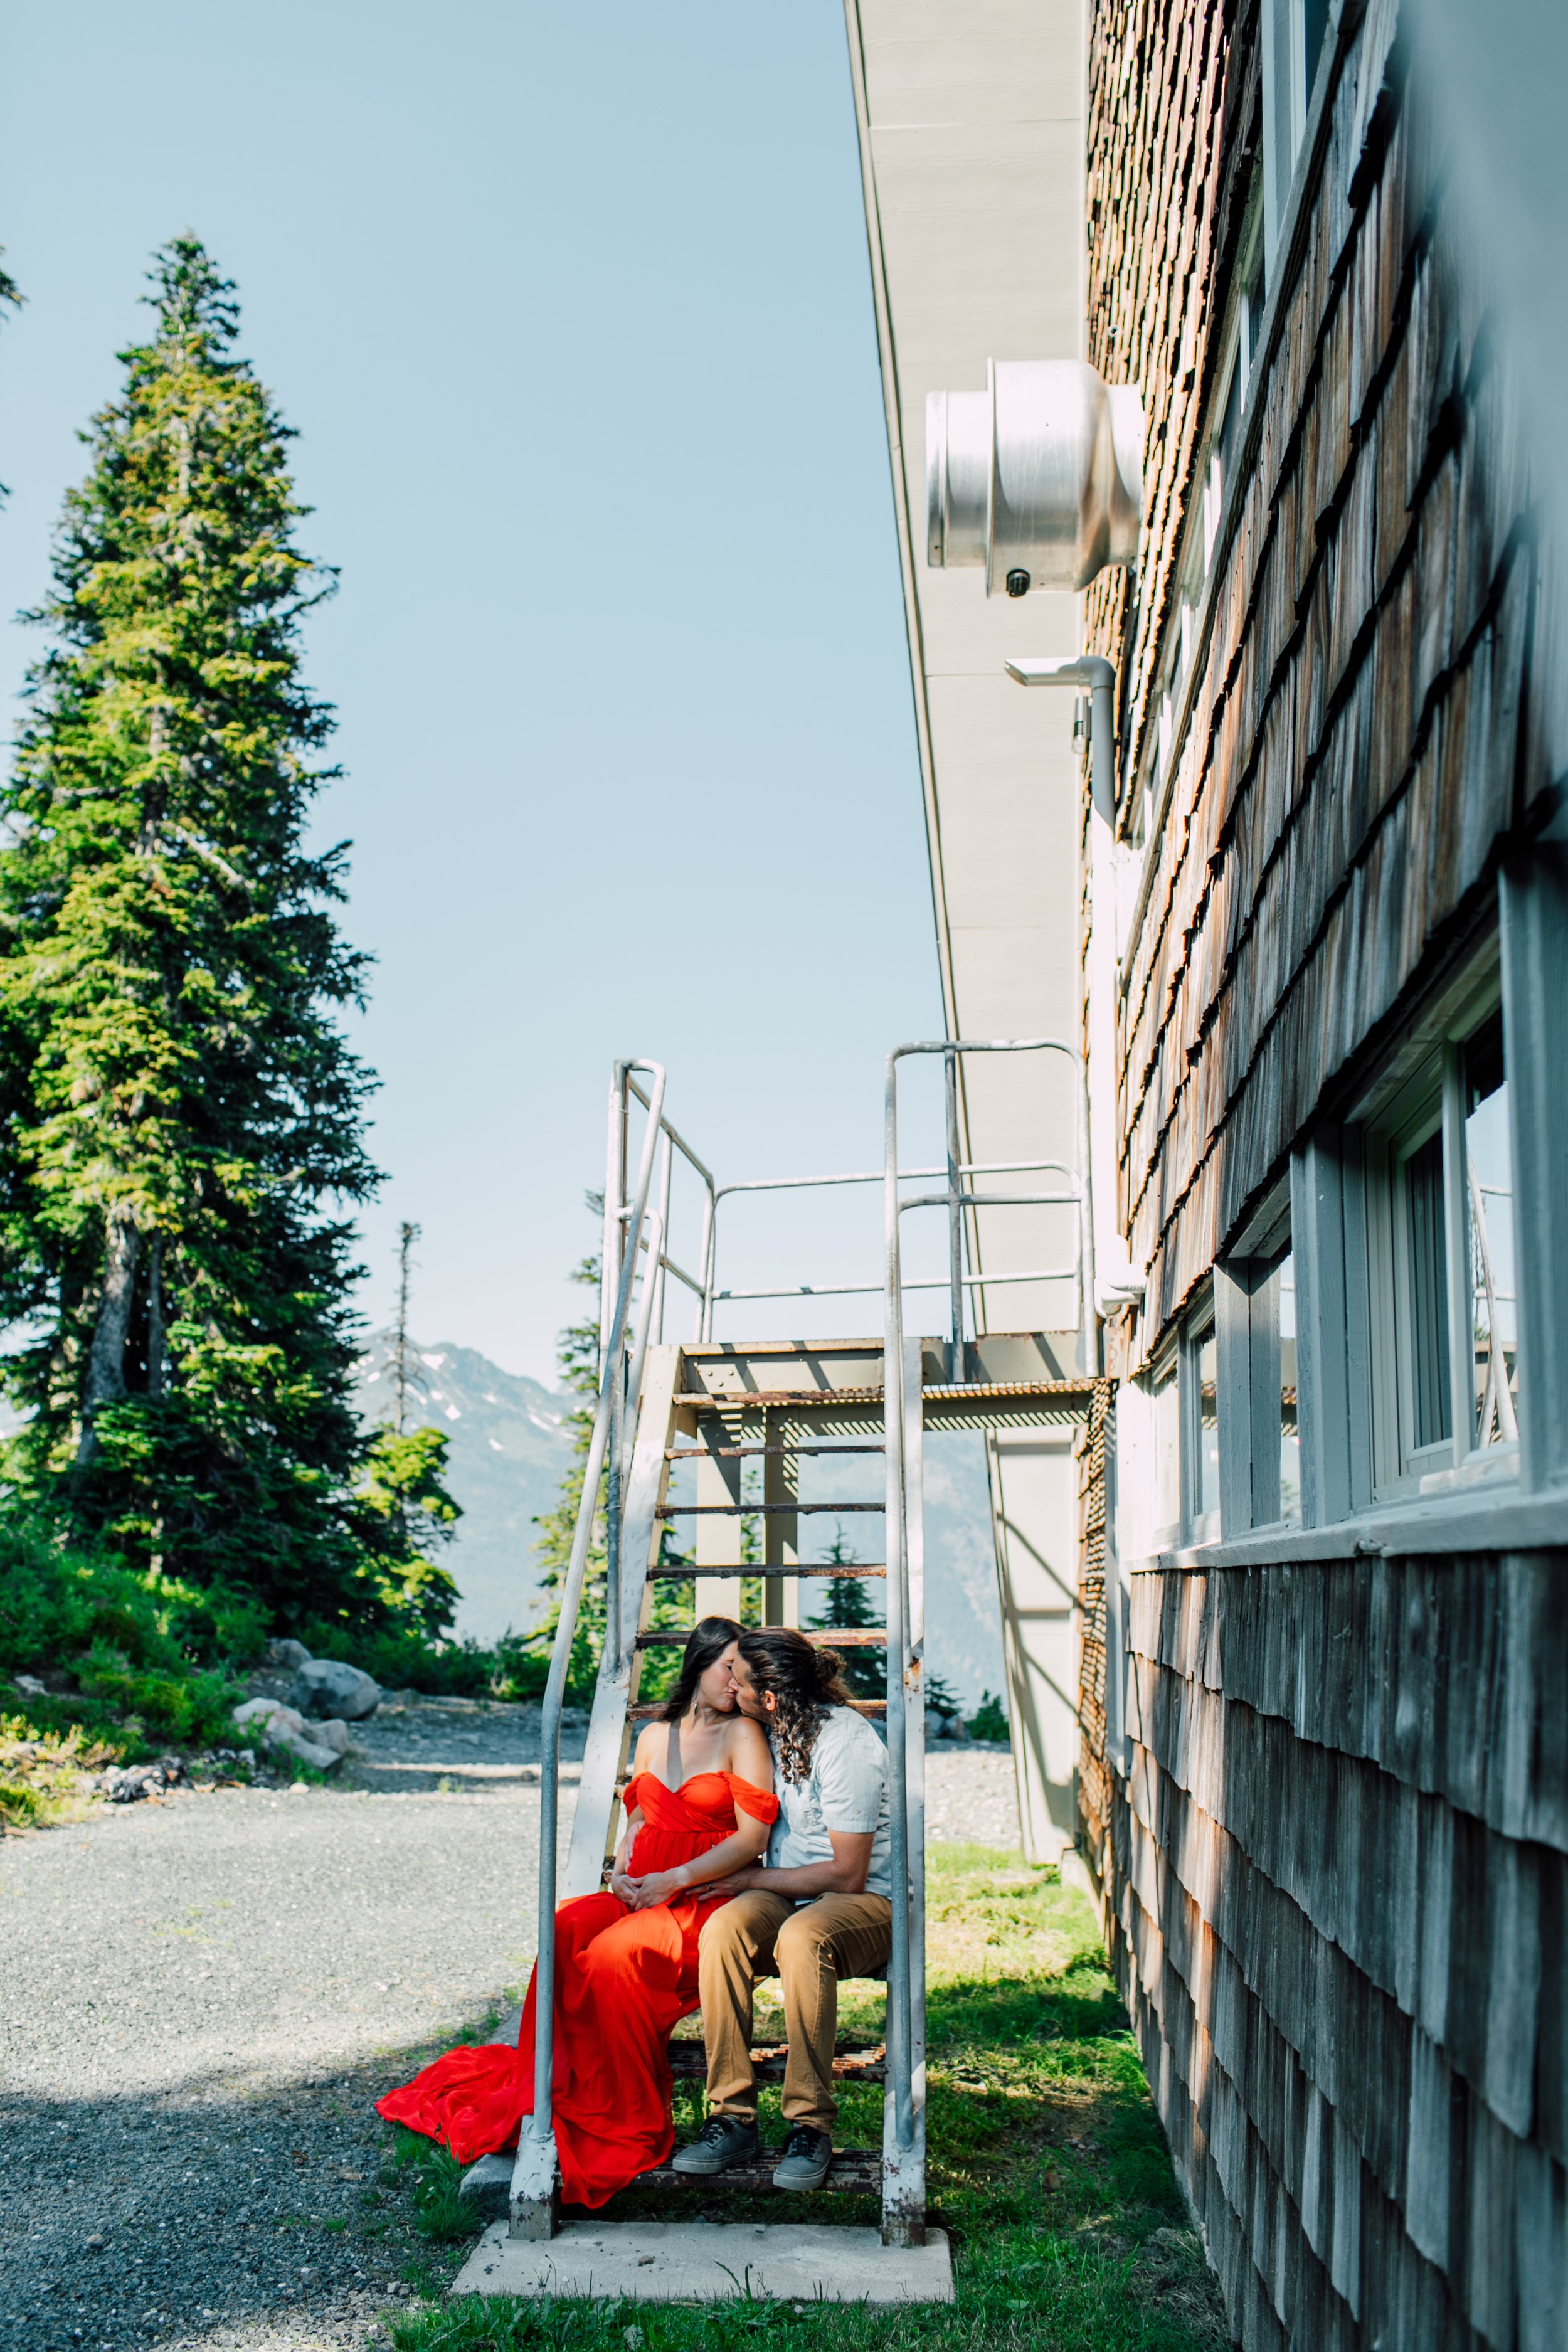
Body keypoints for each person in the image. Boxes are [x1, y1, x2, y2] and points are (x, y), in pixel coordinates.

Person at [375, 1618, 776, 2208]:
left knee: (613, 1956)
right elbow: (640, 1817)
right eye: (728, 1668)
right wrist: (623, 1872)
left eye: (743, 1673)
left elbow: (752, 1839)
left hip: (701, 1896)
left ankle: (621, 2119)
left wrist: (675, 1879)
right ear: (699, 1665)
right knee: (563, 1930)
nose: (737, 1683)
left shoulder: (744, 1734)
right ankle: (552, 2094)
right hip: (640, 1888)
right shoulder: (654, 1736)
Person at [672, 1626, 893, 2192]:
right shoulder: (770, 1729)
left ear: (769, 1698)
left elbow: (849, 1872)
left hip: (866, 1903)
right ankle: (731, 2115)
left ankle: (809, 2123)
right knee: (724, 1929)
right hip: (791, 1893)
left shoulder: (848, 1744)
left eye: (739, 1681)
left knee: (801, 1937)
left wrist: (747, 1876)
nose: (731, 1687)